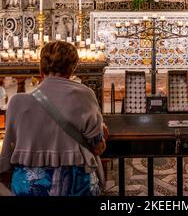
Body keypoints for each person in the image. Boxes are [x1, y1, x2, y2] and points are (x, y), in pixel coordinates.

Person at [0, 41, 108, 196]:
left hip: (29, 187)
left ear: (41, 69)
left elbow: (7, 154)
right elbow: (98, 146)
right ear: (73, 68)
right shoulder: (85, 95)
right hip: (74, 185)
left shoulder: (17, 102)